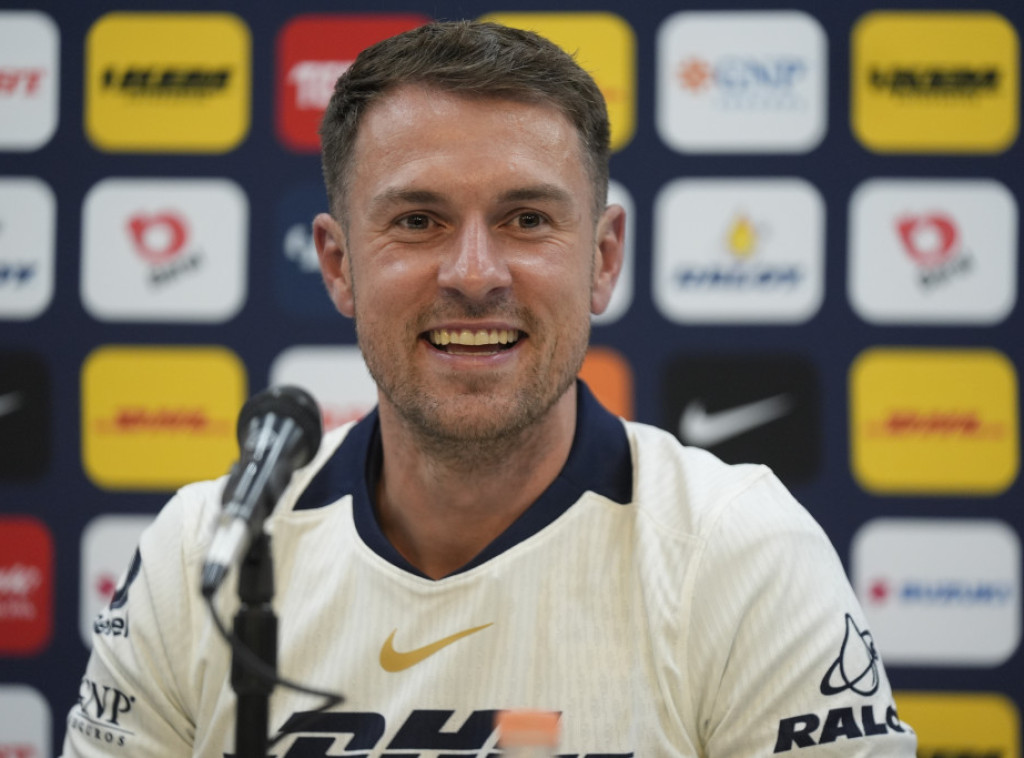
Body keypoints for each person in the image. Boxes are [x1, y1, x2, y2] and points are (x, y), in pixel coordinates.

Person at [62, 20, 917, 757]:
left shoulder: (740, 556)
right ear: (338, 264)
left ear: (603, 258)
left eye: (527, 219)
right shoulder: (199, 558)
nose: (474, 275)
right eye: (418, 221)